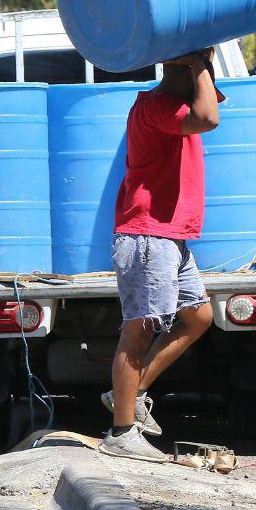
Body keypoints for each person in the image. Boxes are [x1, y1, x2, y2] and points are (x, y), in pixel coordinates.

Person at [98, 48, 223, 462]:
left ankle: (131, 395)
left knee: (198, 317)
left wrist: (196, 64)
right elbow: (209, 117)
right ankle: (121, 432)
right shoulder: (156, 108)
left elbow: (209, 106)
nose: (211, 89)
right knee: (139, 332)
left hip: (170, 237)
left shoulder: (171, 105)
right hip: (148, 235)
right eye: (203, 76)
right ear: (185, 74)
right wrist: (198, 63)